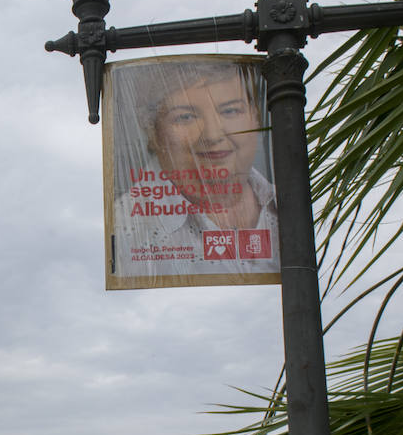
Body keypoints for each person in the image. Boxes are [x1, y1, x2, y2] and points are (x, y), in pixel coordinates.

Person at [109, 57, 280, 285]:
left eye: (230, 111)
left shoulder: (288, 206)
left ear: (256, 117)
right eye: (185, 117)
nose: (212, 135)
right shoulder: (123, 229)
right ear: (152, 132)